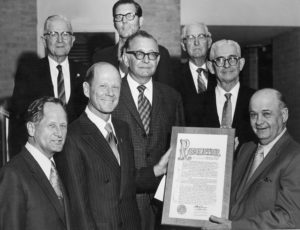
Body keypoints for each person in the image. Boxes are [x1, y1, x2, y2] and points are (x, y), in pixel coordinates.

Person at [55, 62, 170, 230]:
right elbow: (78, 206)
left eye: (116, 87)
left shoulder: (123, 128)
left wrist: (157, 169)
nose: (110, 93)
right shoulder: (73, 136)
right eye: (103, 86)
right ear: (87, 89)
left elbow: (125, 181)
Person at [112, 30, 184, 230]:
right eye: (139, 54)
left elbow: (180, 148)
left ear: (158, 59)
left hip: (164, 205)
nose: (146, 60)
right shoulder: (111, 95)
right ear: (126, 57)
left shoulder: (172, 97)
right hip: (125, 202)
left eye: (152, 54)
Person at [208, 88, 300, 229]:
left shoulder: (295, 157)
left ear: (284, 115)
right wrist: (223, 161)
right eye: (253, 115)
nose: (258, 121)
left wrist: (234, 227)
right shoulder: (246, 149)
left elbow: (289, 218)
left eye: (266, 114)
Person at [9, 14, 87, 157]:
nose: (60, 40)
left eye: (65, 34)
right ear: (44, 40)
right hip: (41, 155)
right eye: (53, 34)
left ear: (72, 40)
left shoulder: (84, 72)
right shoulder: (29, 74)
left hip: (78, 156)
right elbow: (18, 120)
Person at [0, 97, 70, 230]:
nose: (59, 133)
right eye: (51, 125)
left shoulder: (59, 170)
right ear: (31, 128)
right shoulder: (12, 175)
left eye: (63, 125)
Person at [194, 39, 256, 153]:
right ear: (211, 67)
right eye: (220, 60)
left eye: (232, 59)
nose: (227, 65)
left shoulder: (256, 99)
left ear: (241, 64)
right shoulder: (195, 103)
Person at [92, 0, 173, 86]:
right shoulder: (100, 57)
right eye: (119, 16)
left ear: (140, 21)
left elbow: (165, 93)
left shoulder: (160, 53)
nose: (124, 21)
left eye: (130, 16)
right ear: (114, 23)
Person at [176, 22, 216, 125]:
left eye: (201, 36)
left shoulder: (221, 74)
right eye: (190, 37)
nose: (196, 42)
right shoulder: (173, 77)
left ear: (209, 42)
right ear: (183, 45)